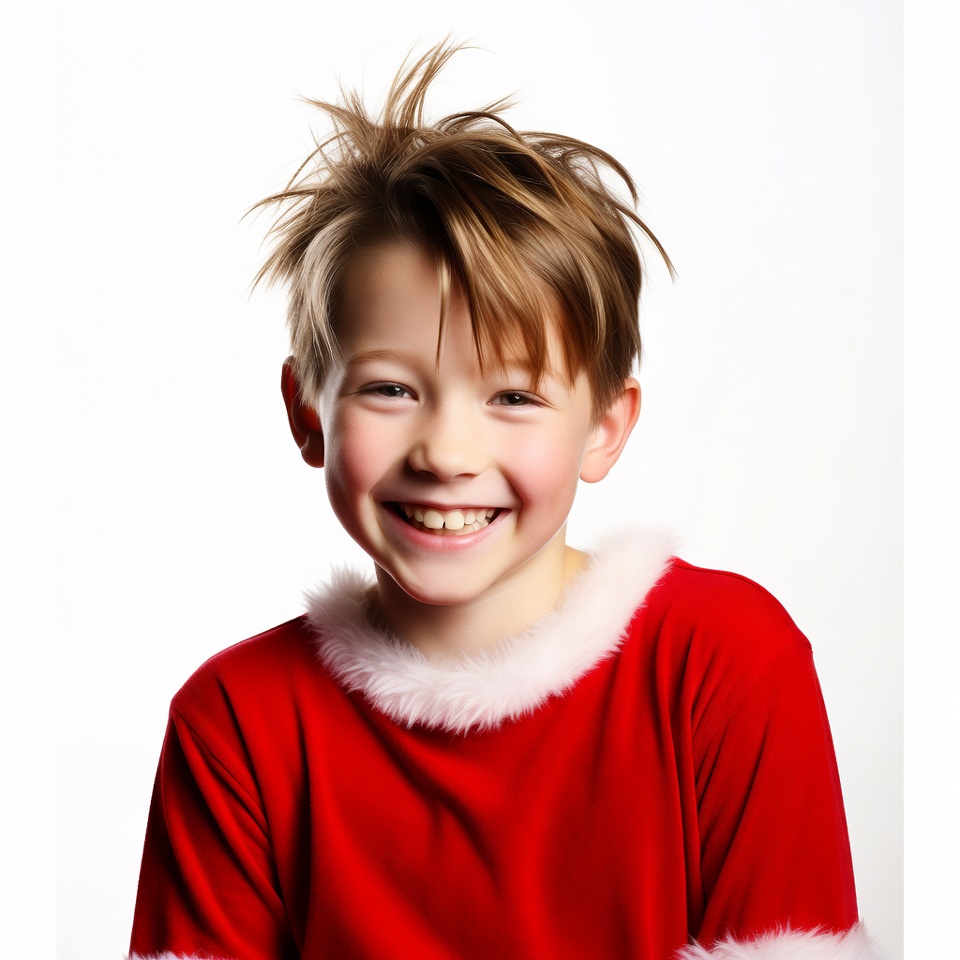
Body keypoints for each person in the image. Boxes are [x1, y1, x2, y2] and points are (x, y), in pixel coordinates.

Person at [128, 42, 880, 960]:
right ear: (306, 412)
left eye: (514, 397)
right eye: (390, 389)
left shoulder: (724, 665)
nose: (447, 454)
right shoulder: (236, 723)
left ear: (604, 427)